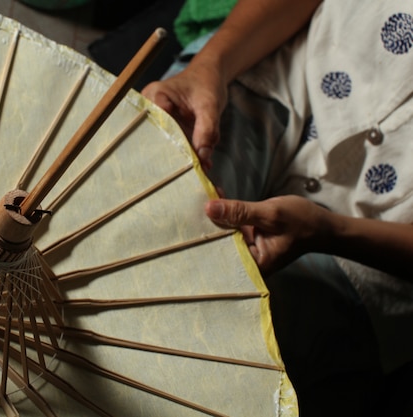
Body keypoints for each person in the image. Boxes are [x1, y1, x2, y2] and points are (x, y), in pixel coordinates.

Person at [143, 0, 413, 415]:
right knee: (141, 210)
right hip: (277, 75)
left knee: (212, 346)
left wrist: (331, 232)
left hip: (369, 243)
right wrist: (210, 67)